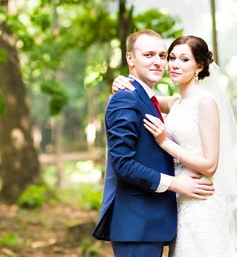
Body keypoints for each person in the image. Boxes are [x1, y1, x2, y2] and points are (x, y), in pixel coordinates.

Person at [113, 35, 237, 257]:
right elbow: (144, 97)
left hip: (200, 199)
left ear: (200, 65)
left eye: (184, 60)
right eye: (172, 57)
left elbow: (210, 165)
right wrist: (121, 82)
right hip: (178, 202)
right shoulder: (176, 103)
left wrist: (165, 142)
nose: (174, 65)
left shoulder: (206, 102)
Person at [92, 29, 215, 257]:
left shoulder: (149, 97)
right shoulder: (125, 98)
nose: (158, 62)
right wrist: (176, 184)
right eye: (149, 55)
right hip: (136, 224)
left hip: (153, 222)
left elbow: (175, 104)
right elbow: (123, 164)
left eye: (161, 55)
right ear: (130, 59)